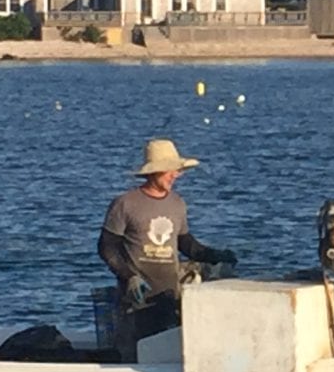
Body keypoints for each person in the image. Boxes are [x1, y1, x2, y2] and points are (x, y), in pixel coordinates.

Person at [98, 138, 236, 360]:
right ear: (154, 172)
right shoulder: (125, 204)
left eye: (177, 171)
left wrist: (213, 255)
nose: (175, 175)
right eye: (170, 171)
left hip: (168, 297)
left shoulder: (177, 203)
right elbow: (107, 247)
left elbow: (185, 243)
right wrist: (129, 276)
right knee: (136, 357)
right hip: (136, 300)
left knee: (166, 355)